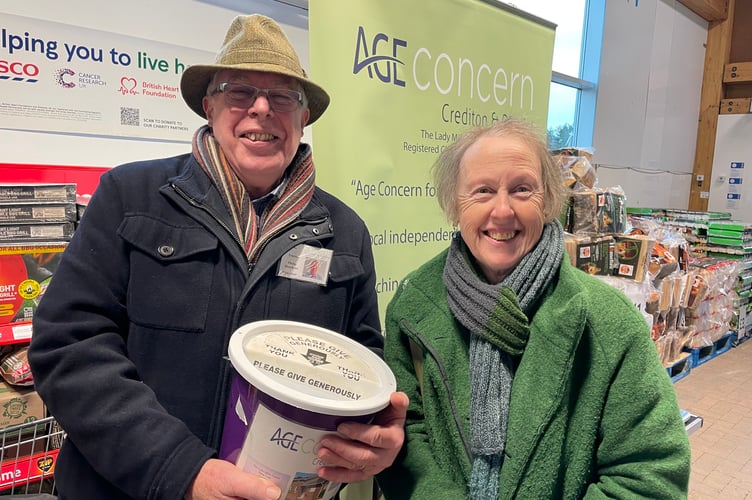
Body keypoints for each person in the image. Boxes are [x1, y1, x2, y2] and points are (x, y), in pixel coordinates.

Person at [28, 14, 407, 500]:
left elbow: (361, 360)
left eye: (284, 96)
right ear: (209, 106)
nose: (262, 109)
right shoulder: (130, 196)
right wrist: (183, 471)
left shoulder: (345, 231)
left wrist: (372, 431)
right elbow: (69, 347)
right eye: (239, 91)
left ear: (303, 116)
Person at [376, 119, 691, 499]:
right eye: (483, 191)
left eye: (522, 189)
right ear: (454, 204)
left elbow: (650, 473)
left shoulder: (607, 322)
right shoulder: (414, 309)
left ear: (548, 201)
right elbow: (405, 439)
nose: (503, 210)